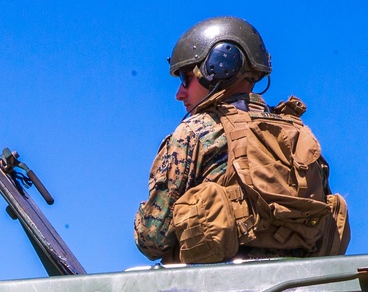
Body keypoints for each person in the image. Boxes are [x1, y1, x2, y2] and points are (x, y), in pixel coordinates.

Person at [134, 17, 348, 264]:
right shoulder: (298, 136)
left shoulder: (195, 131)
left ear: (218, 67)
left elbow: (152, 238)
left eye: (185, 78)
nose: (179, 94)